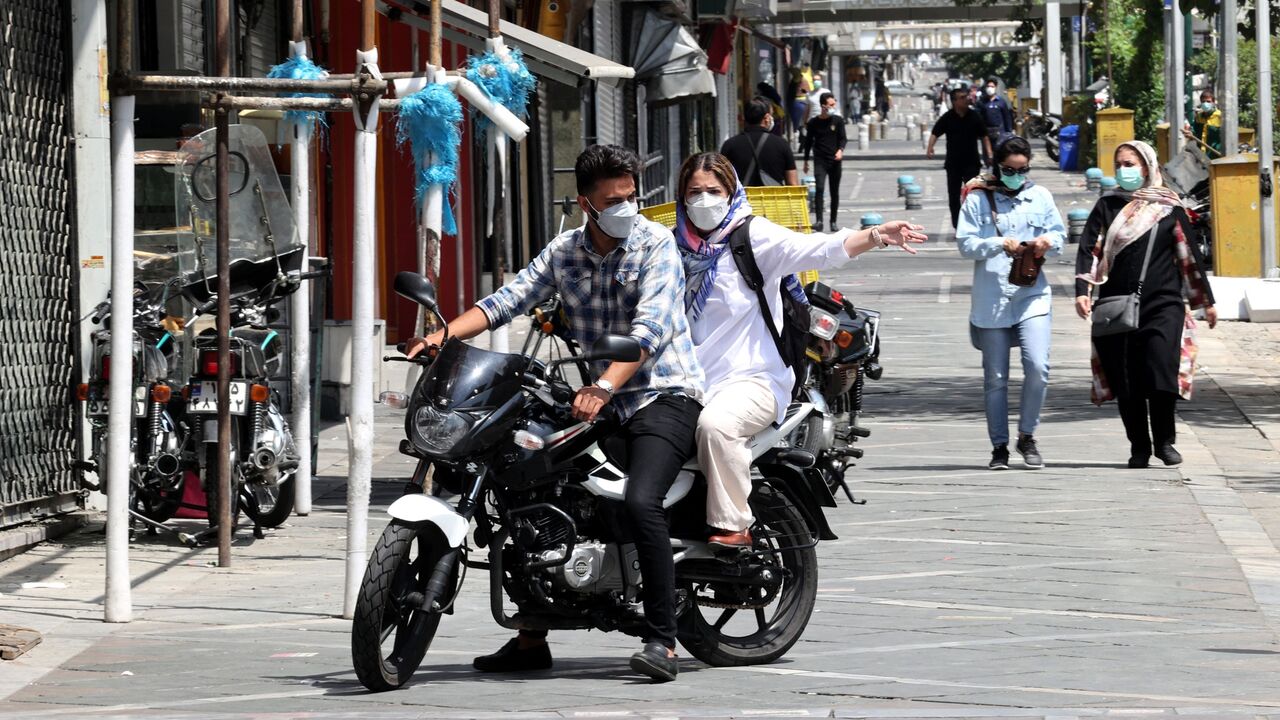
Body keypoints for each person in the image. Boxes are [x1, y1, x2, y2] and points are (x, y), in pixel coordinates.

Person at [407, 144, 704, 683]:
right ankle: (531, 635)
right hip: (595, 396)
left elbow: (650, 331)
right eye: (613, 200)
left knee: (641, 500)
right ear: (585, 203)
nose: (626, 208)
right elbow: (508, 299)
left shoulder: (656, 245)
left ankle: (664, 640)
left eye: (631, 197)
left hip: (662, 394)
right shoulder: (565, 251)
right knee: (525, 483)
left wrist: (604, 386)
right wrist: (440, 335)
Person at [673, 152, 926, 548]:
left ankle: (733, 524)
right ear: (681, 197)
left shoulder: (751, 237)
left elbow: (817, 249)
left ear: (731, 192)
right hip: (689, 383)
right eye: (694, 192)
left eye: (713, 191)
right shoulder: (672, 249)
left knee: (716, 426)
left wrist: (875, 236)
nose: (704, 201)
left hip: (753, 381)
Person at [1074, 140, 1218, 468]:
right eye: (1120, 164)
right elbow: (1089, 249)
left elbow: (1190, 257)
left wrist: (1205, 301)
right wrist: (1083, 289)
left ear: (1148, 166)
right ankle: (1139, 446)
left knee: (1161, 372)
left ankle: (1165, 441)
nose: (1125, 171)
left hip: (1163, 303)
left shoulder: (1169, 207)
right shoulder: (1107, 206)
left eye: (1131, 164)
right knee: (1126, 379)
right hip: (1115, 304)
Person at [955, 136, 1065, 471]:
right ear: (996, 167)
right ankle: (999, 446)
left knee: (1038, 368)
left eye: (1023, 169)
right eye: (1009, 170)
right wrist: (998, 243)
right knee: (996, 377)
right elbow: (966, 244)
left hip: (1032, 294)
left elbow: (1060, 236)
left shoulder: (1040, 196)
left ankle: (1027, 435)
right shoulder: (977, 199)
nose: (1017, 175)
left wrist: (1048, 241)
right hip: (992, 298)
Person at [927, 87, 994, 229]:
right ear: (954, 101)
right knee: (953, 196)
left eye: (967, 96)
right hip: (953, 164)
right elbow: (935, 132)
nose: (967, 99)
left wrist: (989, 154)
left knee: (974, 194)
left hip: (972, 163)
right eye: (963, 97)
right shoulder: (948, 117)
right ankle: (958, 225)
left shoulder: (974, 116)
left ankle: (974, 223)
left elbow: (984, 136)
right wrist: (930, 148)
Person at [720, 97, 799, 187]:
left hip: (742, 200)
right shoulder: (782, 144)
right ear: (766, 118)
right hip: (774, 199)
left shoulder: (729, 145)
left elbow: (722, 180)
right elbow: (792, 183)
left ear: (743, 118)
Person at [802, 92, 847, 232]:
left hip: (834, 160)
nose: (834, 107)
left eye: (834, 104)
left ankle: (833, 221)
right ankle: (819, 220)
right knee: (819, 189)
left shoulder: (838, 121)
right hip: (820, 160)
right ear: (823, 106)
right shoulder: (813, 123)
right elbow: (808, 142)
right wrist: (805, 160)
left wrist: (840, 150)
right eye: (831, 105)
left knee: (835, 191)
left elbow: (843, 138)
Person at [978, 77, 1015, 163]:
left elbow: (1007, 117)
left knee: (999, 154)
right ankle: (990, 170)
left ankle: (998, 172)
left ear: (996, 87)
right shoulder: (982, 102)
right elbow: (978, 117)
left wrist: (1009, 131)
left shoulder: (1001, 102)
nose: (990, 88)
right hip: (986, 133)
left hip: (999, 132)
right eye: (988, 86)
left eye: (992, 86)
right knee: (988, 156)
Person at [1183, 90, 1224, 156]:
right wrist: (1190, 133)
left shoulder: (1220, 117)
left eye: (1208, 101)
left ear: (1213, 102)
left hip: (1215, 155)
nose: (1205, 104)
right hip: (1200, 154)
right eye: (1203, 101)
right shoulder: (1199, 116)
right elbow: (1194, 131)